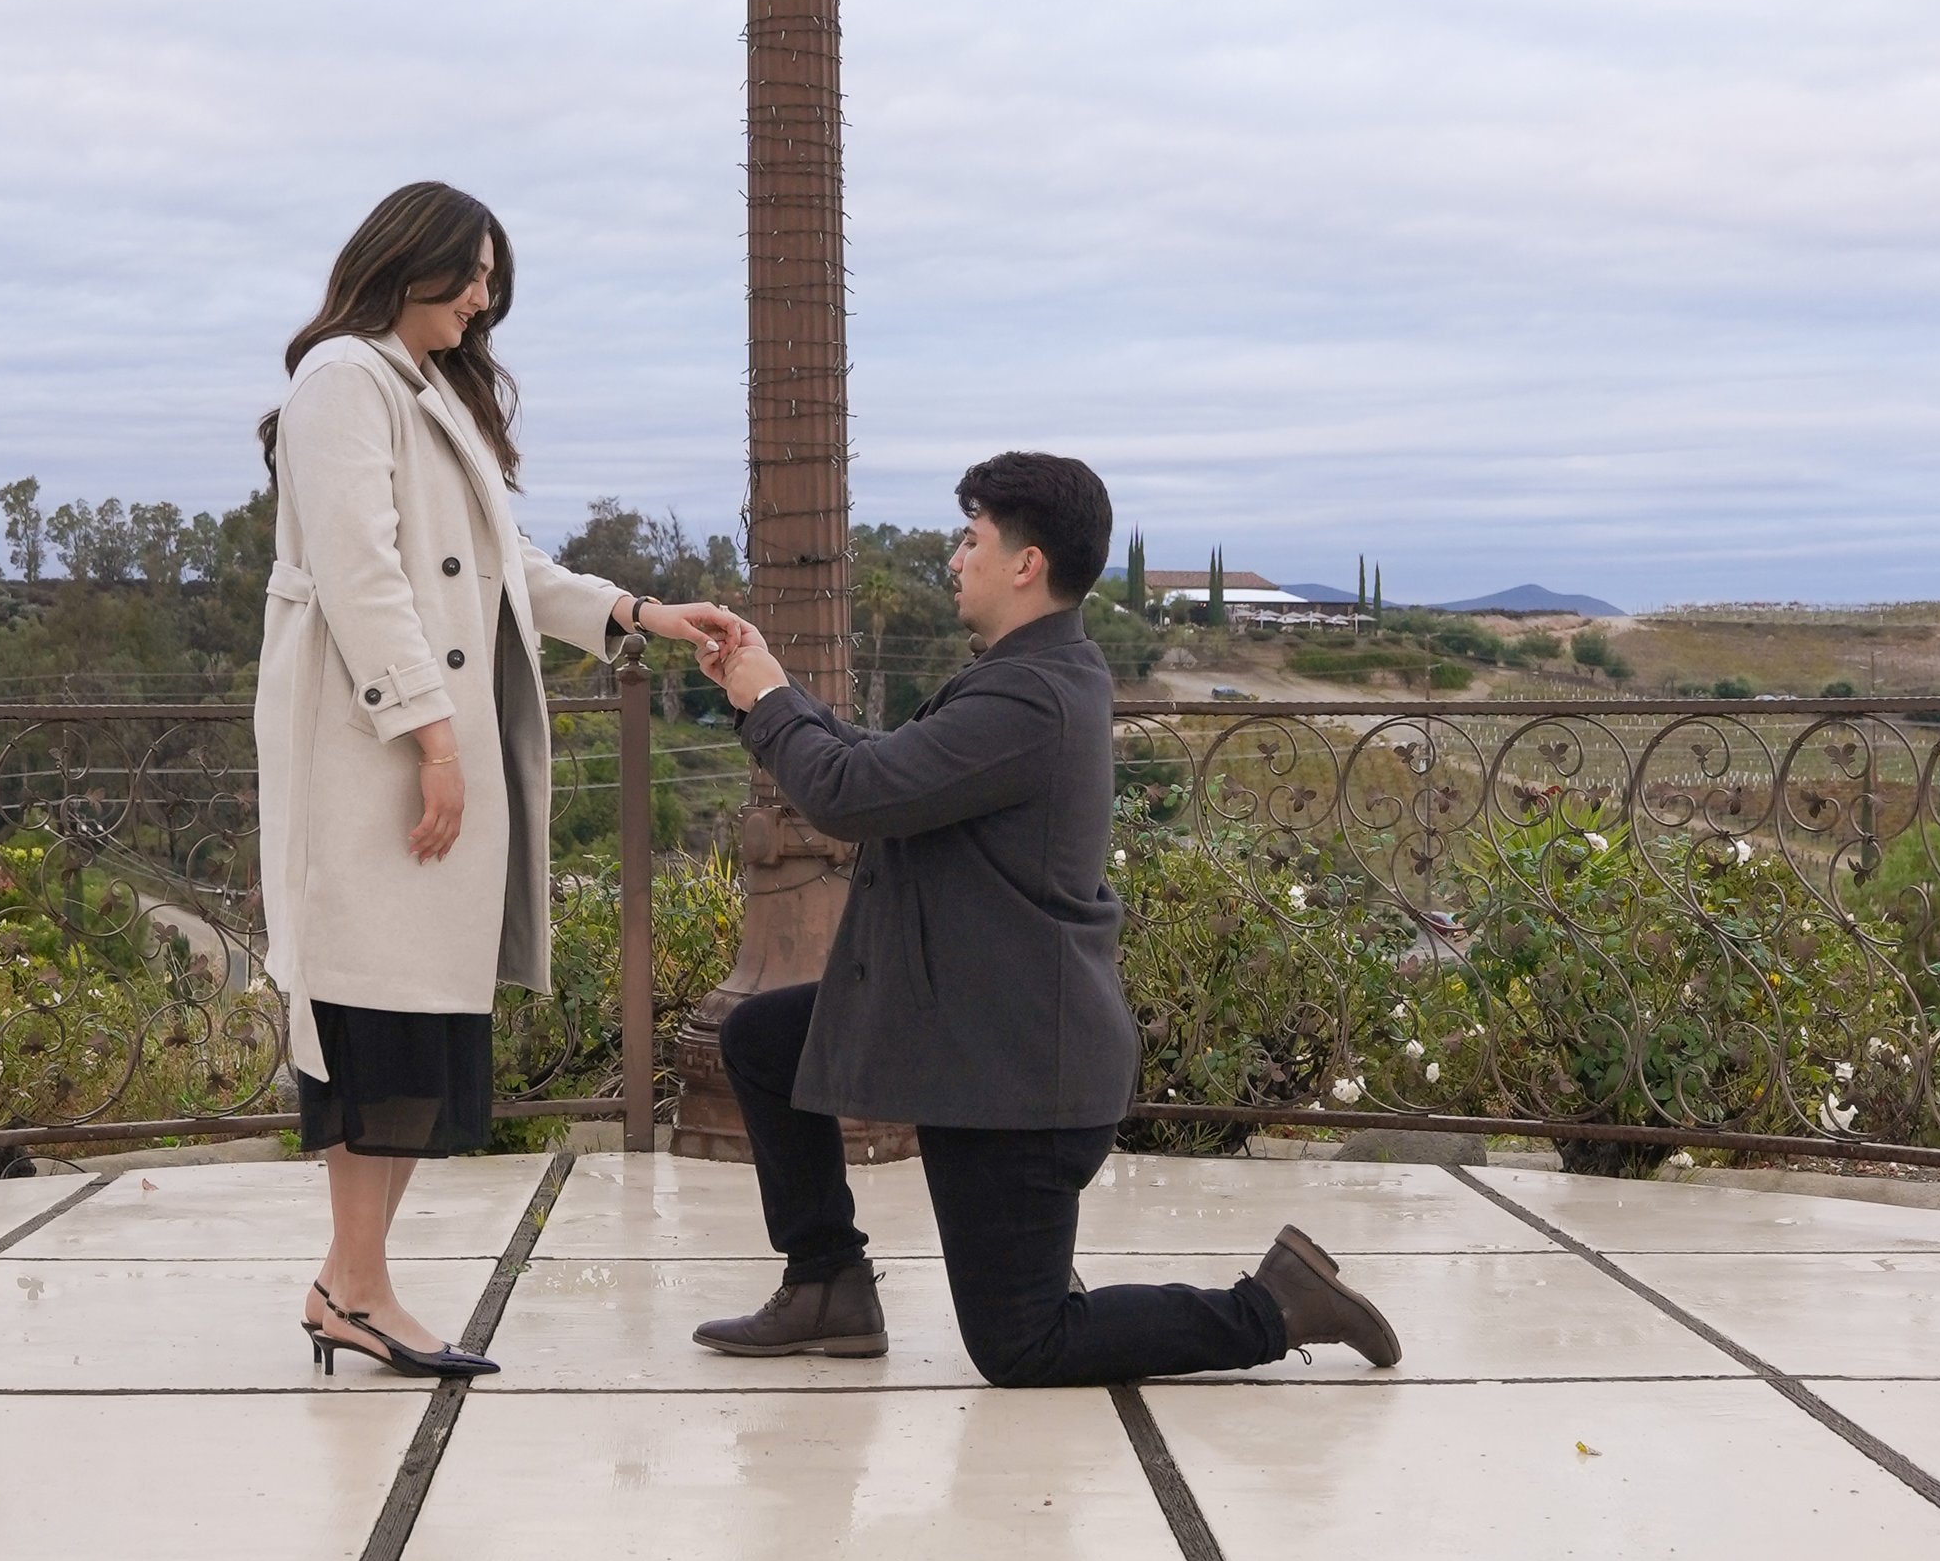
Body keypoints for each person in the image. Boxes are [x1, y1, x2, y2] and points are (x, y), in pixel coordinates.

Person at [689, 449, 1402, 1386]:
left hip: (1021, 1073)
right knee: (765, 1041)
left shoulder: (1031, 696)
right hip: (976, 1031)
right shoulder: (1029, 677)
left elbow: (852, 796)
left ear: (1025, 563)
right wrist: (771, 690)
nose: (953, 558)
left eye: (969, 538)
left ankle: (1275, 1305)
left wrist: (770, 702)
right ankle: (827, 1284)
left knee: (1024, 1344)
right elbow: (882, 768)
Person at [254, 181, 730, 1378]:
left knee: (408, 1018)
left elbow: (501, 564)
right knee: (372, 1016)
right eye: (467, 275)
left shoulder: (422, 393)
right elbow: (362, 574)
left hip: (414, 742)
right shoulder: (344, 381)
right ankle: (354, 1288)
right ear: (400, 261)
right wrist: (436, 740)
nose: (481, 299)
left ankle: (348, 1286)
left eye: (490, 283)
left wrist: (634, 612)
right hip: (372, 753)